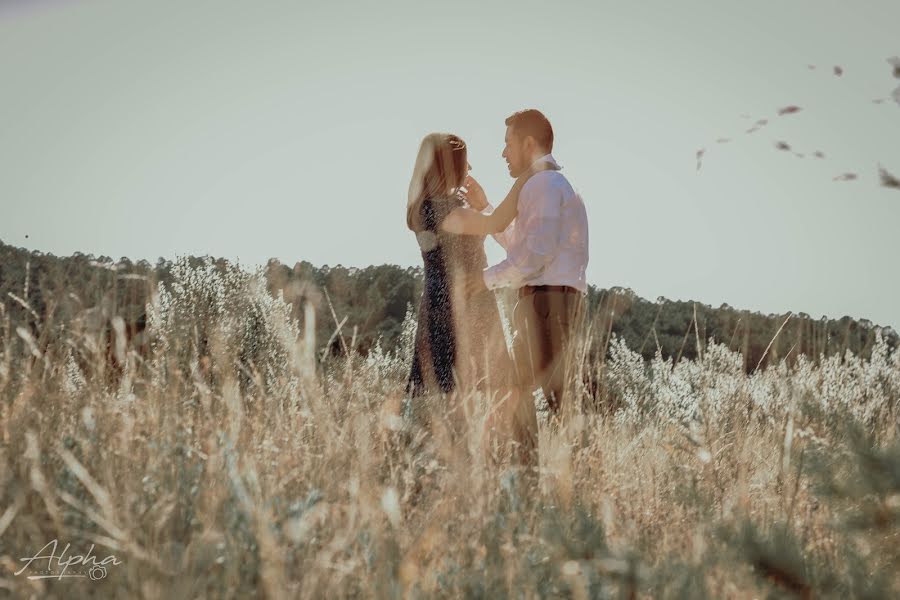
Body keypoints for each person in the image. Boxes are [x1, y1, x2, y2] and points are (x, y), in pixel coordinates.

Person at [404, 132, 543, 466]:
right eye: (466, 160)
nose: (472, 166)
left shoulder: (425, 208)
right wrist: (520, 184)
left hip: (443, 307)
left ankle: (457, 465)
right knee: (498, 390)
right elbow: (499, 225)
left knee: (458, 391)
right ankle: (518, 467)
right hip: (465, 311)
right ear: (453, 166)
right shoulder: (444, 211)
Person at [471, 109, 589, 419]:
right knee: (518, 391)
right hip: (551, 303)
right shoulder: (553, 184)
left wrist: (483, 280)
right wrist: (485, 207)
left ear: (528, 144)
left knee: (553, 400)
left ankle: (539, 462)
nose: (503, 152)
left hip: (547, 306)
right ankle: (528, 462)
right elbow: (523, 247)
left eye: (508, 143)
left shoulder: (544, 185)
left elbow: (533, 257)